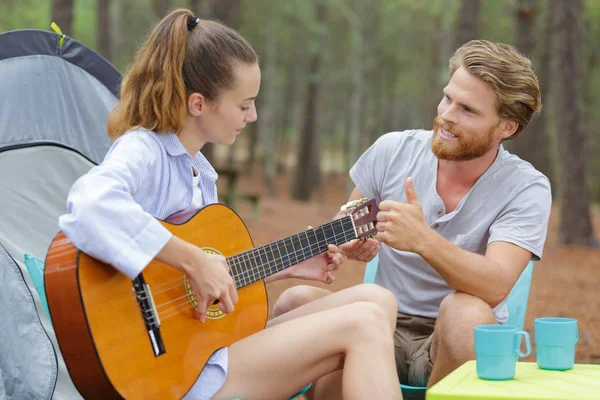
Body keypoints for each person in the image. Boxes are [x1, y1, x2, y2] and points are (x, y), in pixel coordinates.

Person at [58, 9, 402, 400]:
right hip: (178, 373)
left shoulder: (200, 175)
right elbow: (88, 203)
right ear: (199, 104)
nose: (252, 116)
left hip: (207, 350)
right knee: (364, 323)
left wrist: (289, 266)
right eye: (244, 105)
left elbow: (202, 288)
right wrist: (192, 259)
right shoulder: (144, 150)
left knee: (377, 299)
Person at [273, 39, 552, 393]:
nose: (447, 115)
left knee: (466, 313)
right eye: (448, 98)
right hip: (377, 323)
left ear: (506, 127)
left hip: (450, 342)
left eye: (468, 110)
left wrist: (423, 240)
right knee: (294, 303)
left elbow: (495, 286)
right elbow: (347, 222)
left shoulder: (526, 187)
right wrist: (347, 240)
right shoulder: (394, 150)